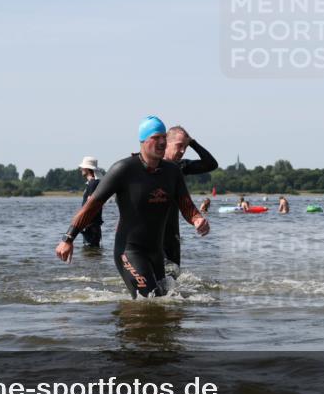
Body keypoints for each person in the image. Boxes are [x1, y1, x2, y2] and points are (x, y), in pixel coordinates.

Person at [55, 116, 210, 299]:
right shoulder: (124, 170)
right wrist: (68, 238)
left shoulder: (172, 171)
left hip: (156, 253)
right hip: (129, 251)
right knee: (151, 298)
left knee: (165, 303)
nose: (161, 142)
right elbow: (92, 206)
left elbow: (186, 204)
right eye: (156, 137)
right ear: (143, 141)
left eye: (163, 137)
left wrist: (197, 219)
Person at [162, 126, 218, 273]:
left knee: (172, 280)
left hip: (172, 234)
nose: (182, 151)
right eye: (179, 146)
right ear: (166, 142)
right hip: (150, 233)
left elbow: (211, 164)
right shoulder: (148, 165)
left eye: (185, 148)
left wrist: (192, 143)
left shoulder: (181, 166)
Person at [78, 156, 103, 248]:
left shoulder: (93, 184)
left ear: (88, 169)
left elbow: (90, 204)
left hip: (91, 225)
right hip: (91, 225)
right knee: (92, 254)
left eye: (82, 167)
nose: (80, 169)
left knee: (89, 252)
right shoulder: (93, 183)